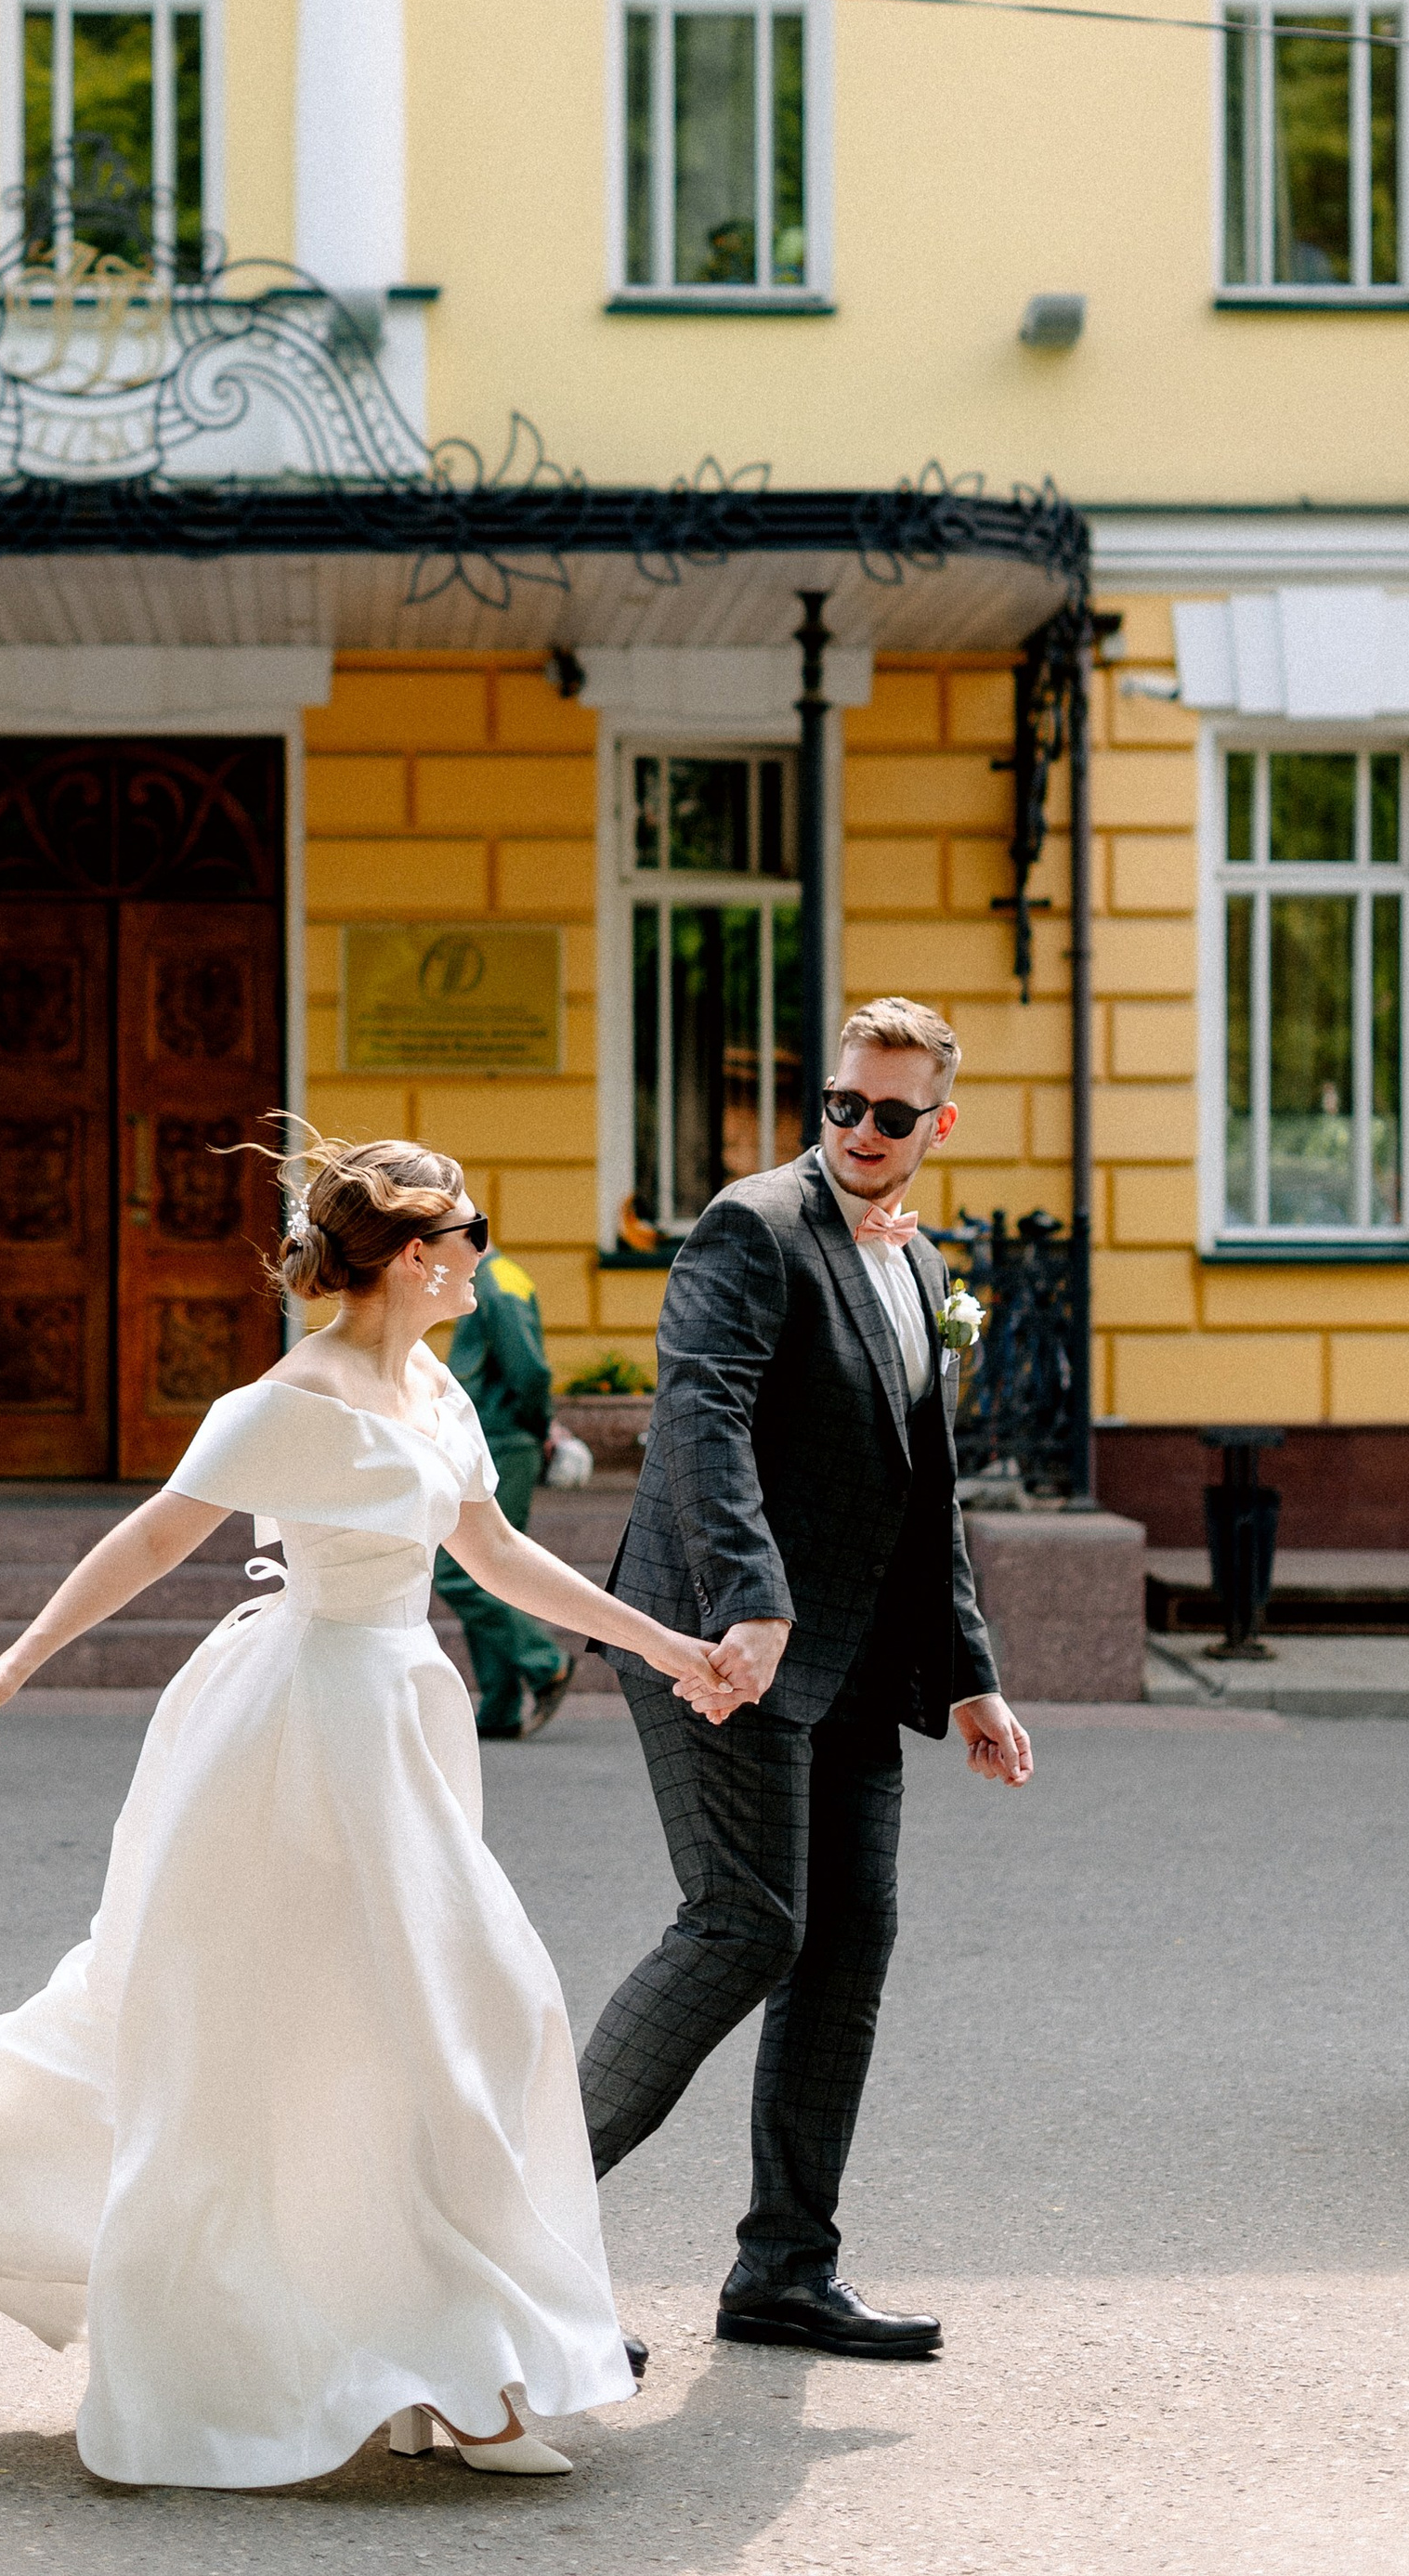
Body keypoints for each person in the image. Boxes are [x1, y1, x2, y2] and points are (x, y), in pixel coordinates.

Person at [0, 1130, 737, 2492]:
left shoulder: (432, 1386)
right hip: (303, 1727)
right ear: (416, 1258)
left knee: (441, 2025)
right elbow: (158, 1536)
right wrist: (8, 1665)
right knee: (370, 2029)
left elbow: (495, 1549)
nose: (479, 1255)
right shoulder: (292, 1397)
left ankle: (436, 2367)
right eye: (467, 1234)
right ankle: (442, 2379)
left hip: (401, 1715)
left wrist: (663, 1644)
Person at [581, 996, 1034, 2365]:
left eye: (893, 1114)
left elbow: (921, 1490)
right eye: (843, 1104)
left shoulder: (920, 1260)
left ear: (936, 1124)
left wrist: (969, 1675)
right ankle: (492, 2229)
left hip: (842, 1660)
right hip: (718, 1638)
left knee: (845, 1944)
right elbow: (701, 1410)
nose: (860, 1131)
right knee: (745, 1924)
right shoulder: (751, 1228)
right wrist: (754, 1599)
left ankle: (785, 2269)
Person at [437, 1242, 576, 1740]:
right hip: (490, 1438)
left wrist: (539, 1430)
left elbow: (530, 1371)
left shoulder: (498, 1281)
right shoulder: (496, 1278)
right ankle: (498, 1704)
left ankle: (546, 1664)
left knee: (460, 1571)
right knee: (482, 1567)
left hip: (502, 1440)